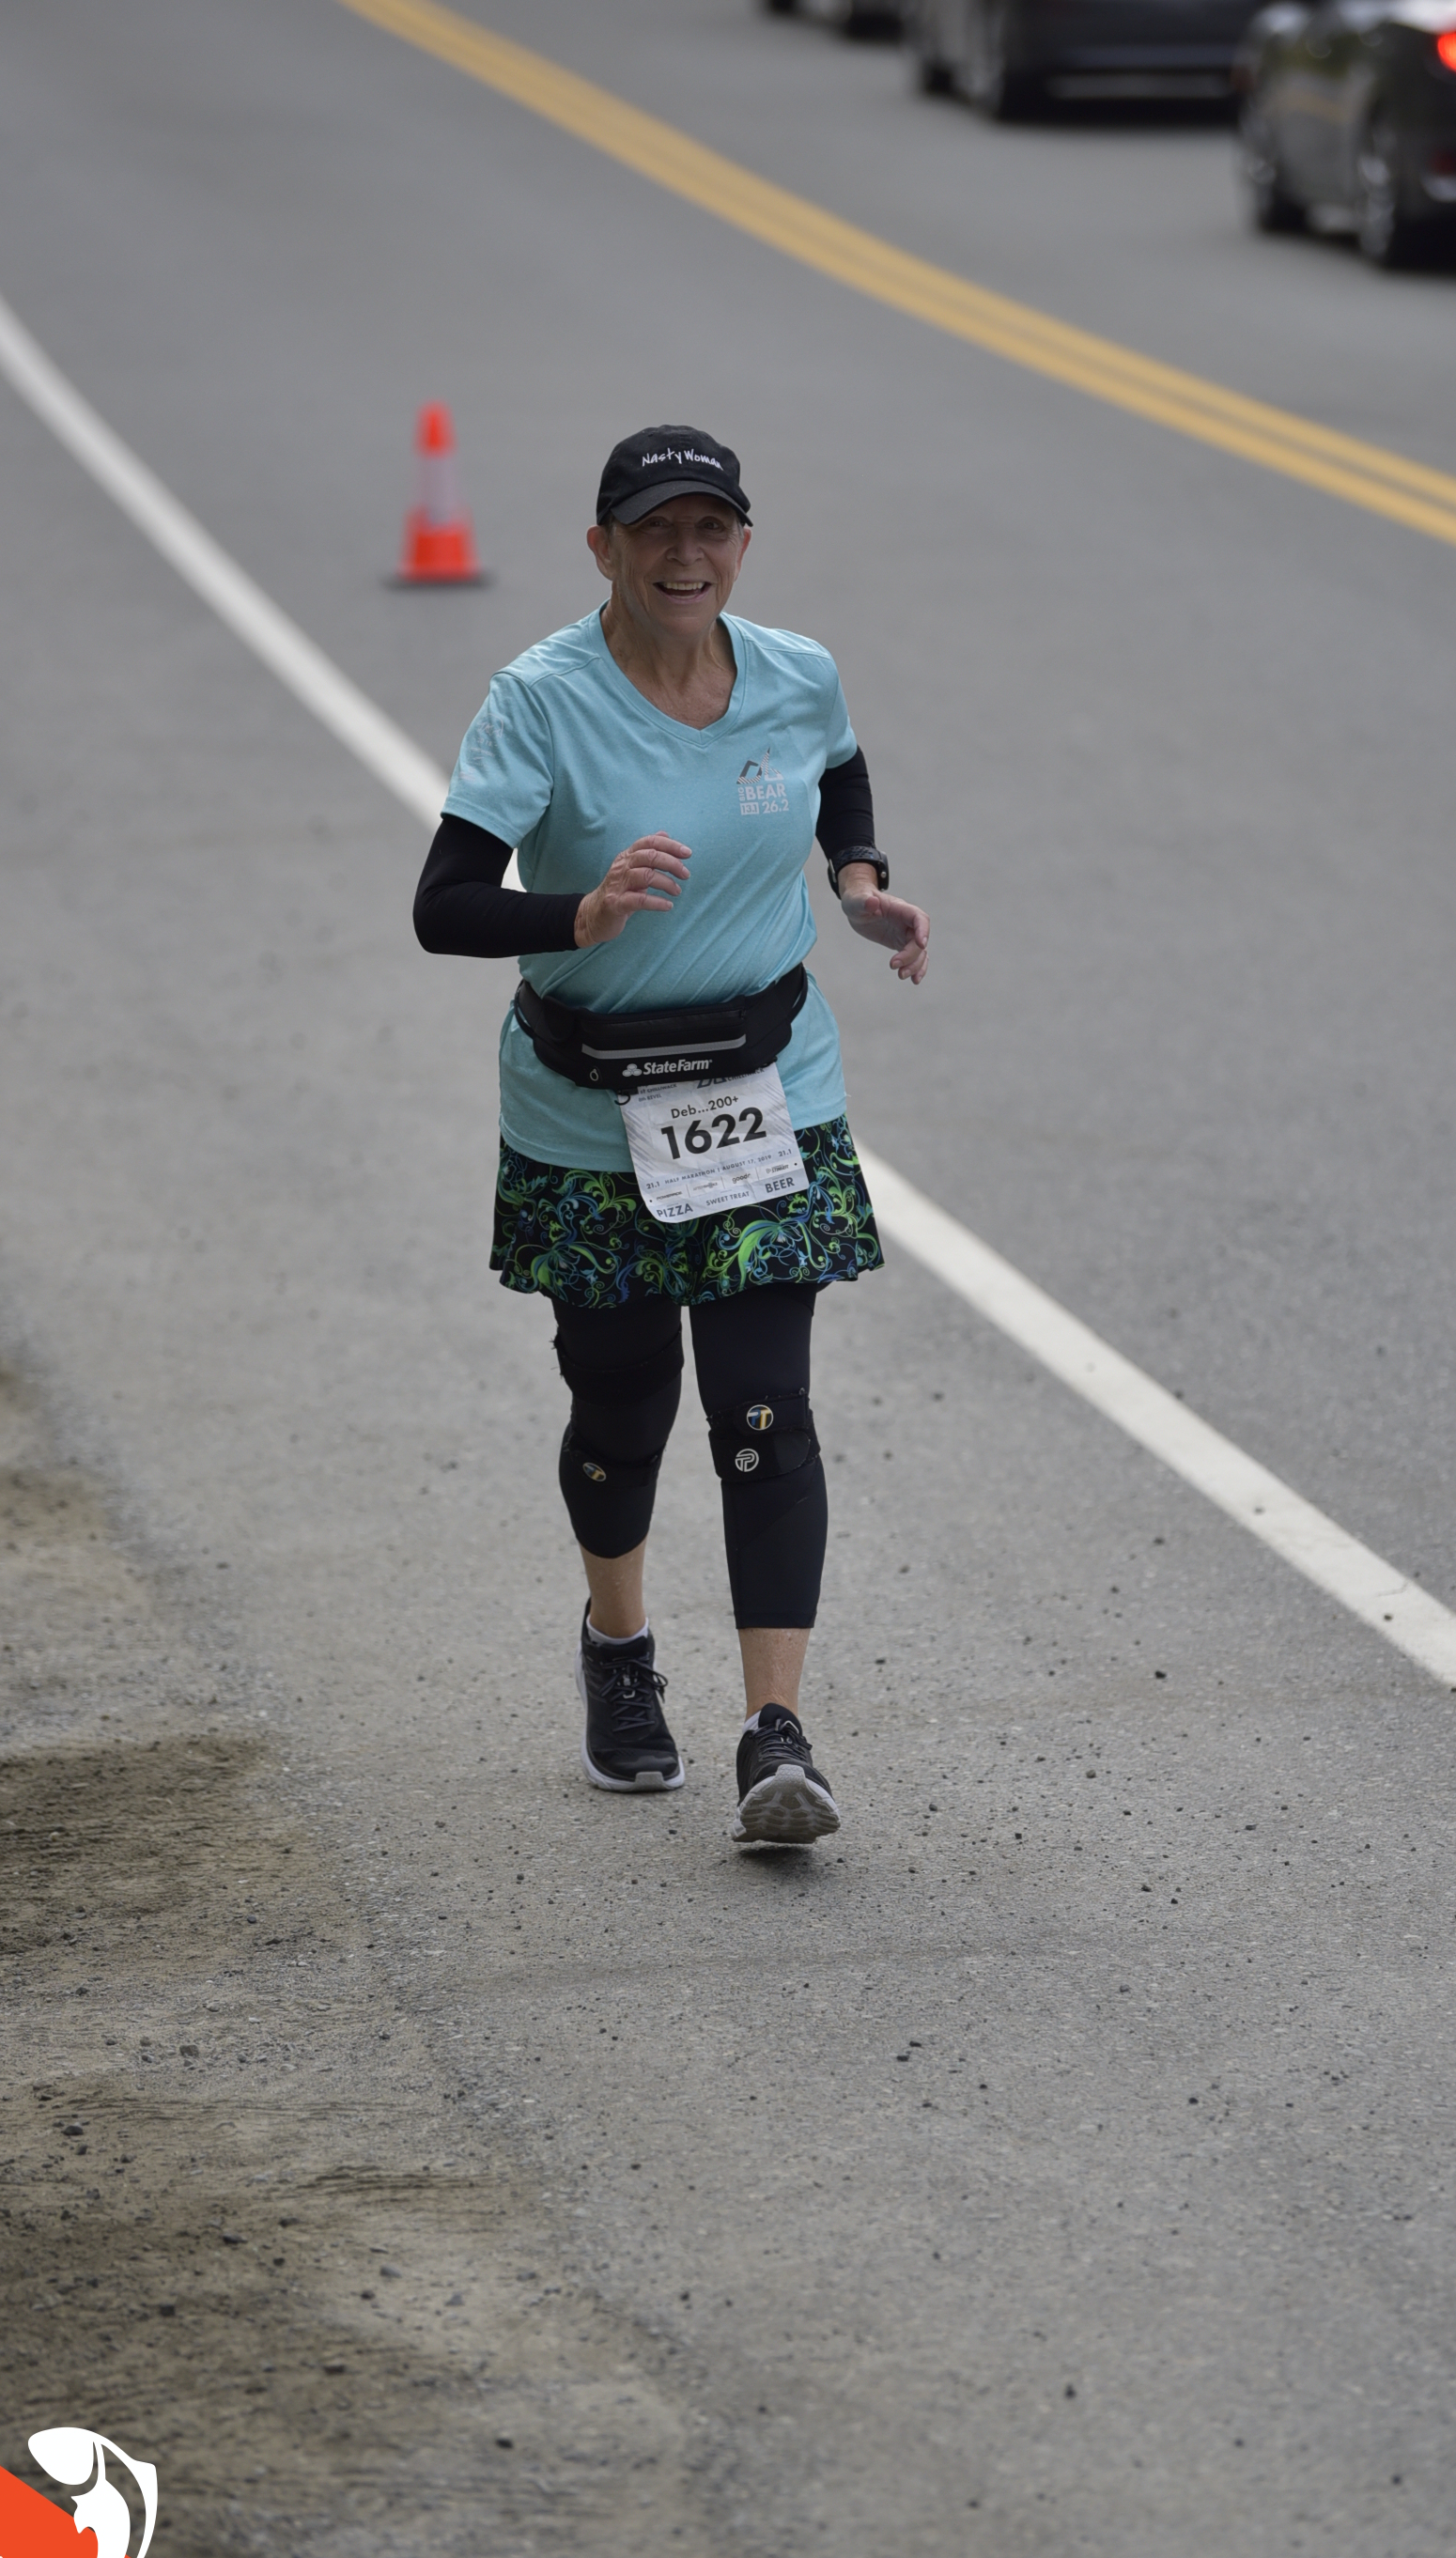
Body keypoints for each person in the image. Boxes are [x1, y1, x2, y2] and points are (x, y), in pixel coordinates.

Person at [413, 426, 927, 1845]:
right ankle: (620, 1649)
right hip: (591, 1113)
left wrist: (859, 880)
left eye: (711, 529)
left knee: (762, 1410)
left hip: (767, 1092)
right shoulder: (542, 700)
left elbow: (838, 770)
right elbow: (443, 904)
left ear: (743, 544)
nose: (685, 556)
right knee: (623, 1404)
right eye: (655, 531)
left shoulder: (796, 671)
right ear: (604, 549)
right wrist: (575, 914)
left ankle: (777, 1734)